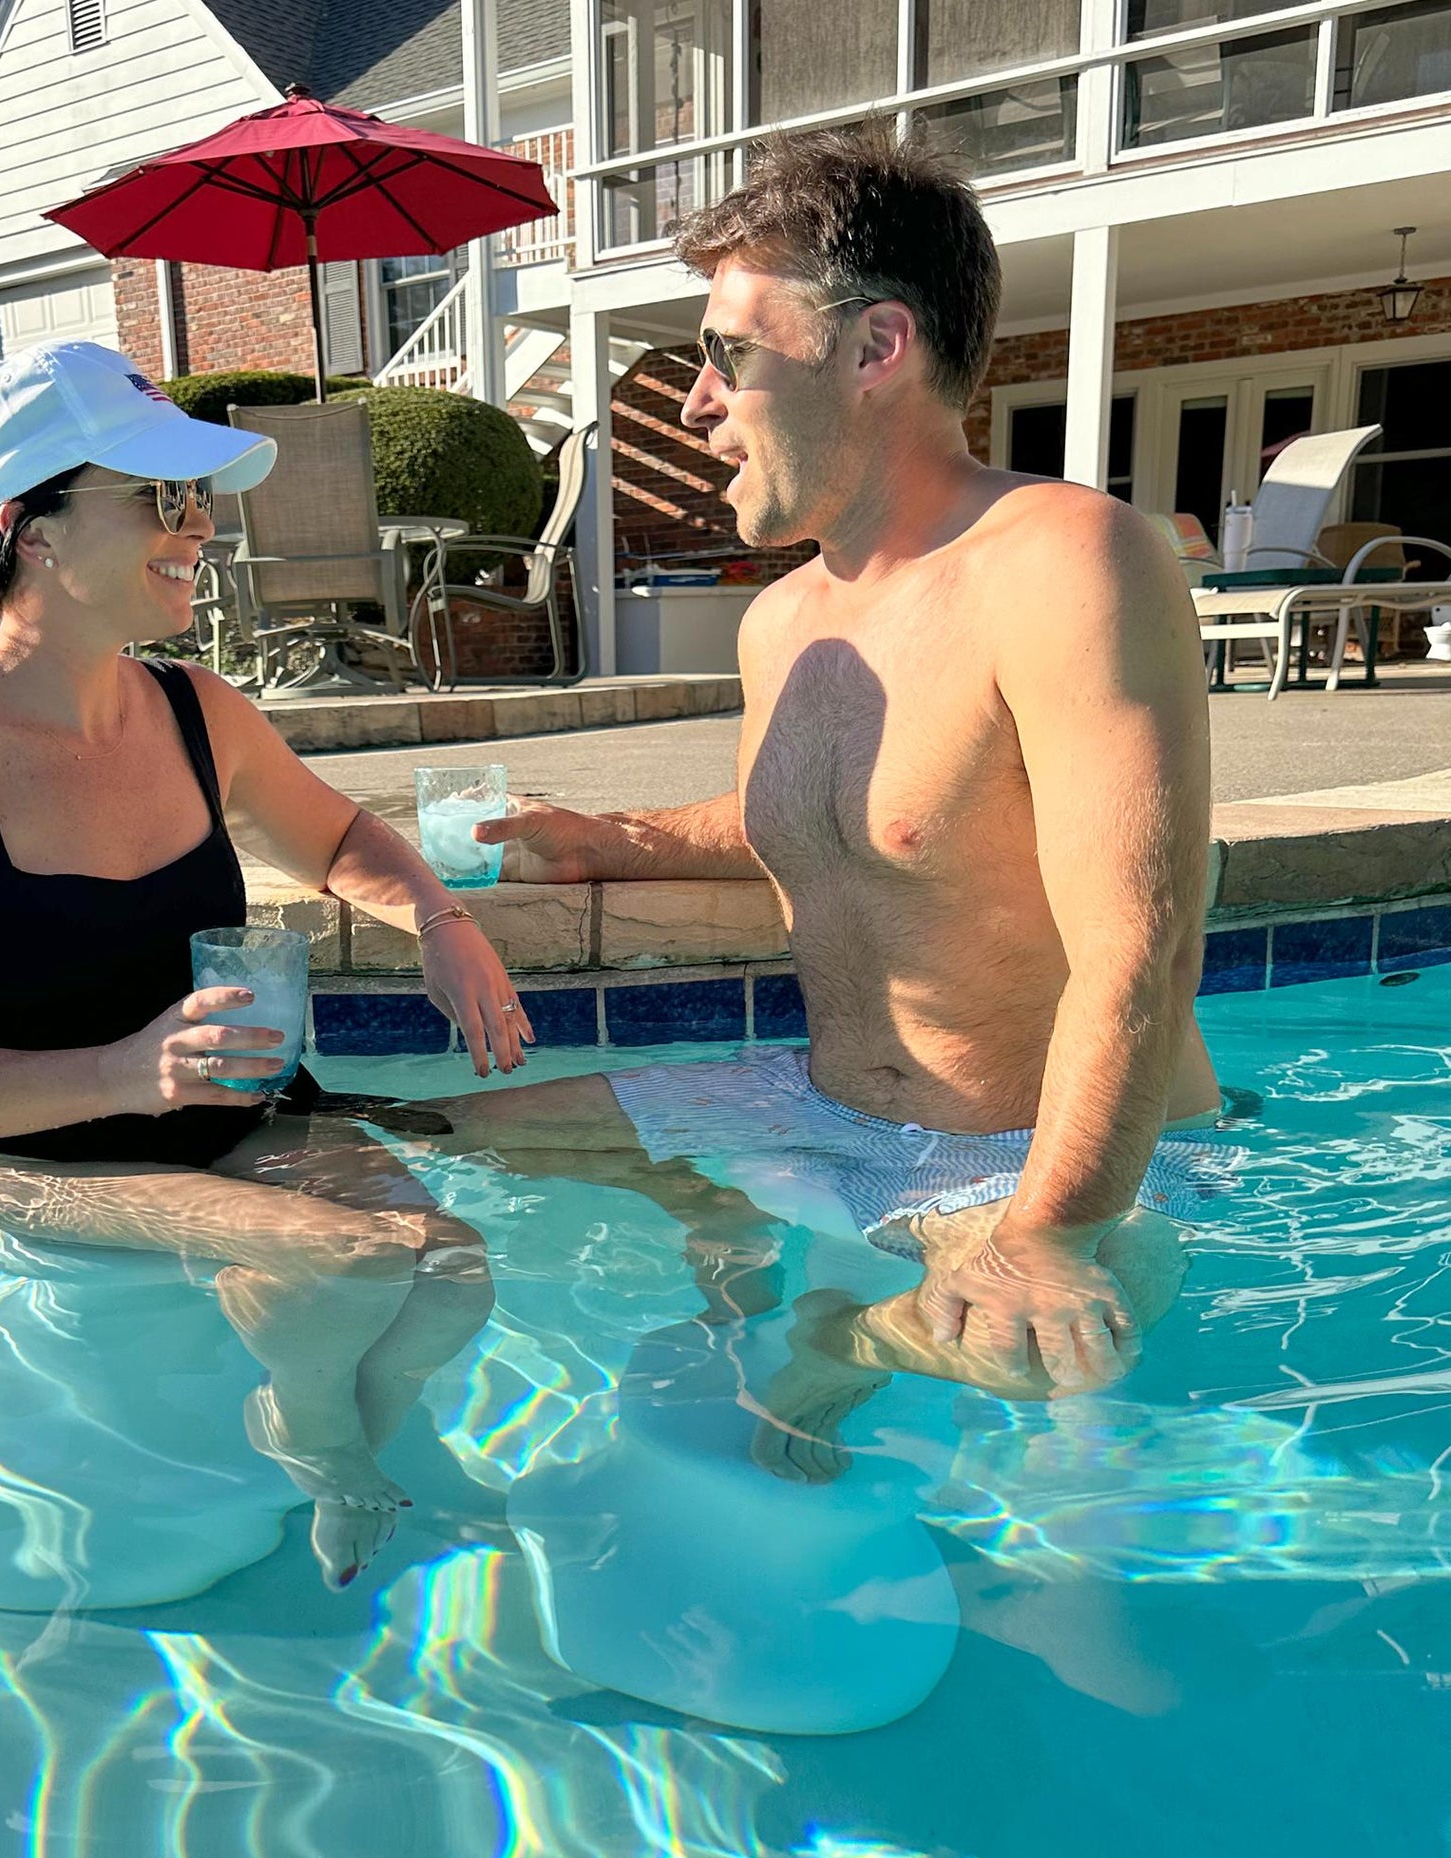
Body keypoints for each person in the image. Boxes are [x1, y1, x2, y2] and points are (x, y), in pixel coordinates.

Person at [441, 121, 1224, 1428]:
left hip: (1029, 1160)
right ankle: (729, 1220)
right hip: (818, 1112)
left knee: (1052, 1355)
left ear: (874, 348)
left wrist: (1044, 1235)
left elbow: (1139, 955)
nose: (692, 404)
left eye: (726, 357)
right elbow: (821, 822)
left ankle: (833, 1354)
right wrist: (609, 833)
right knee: (393, 1143)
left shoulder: (1068, 560)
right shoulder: (781, 620)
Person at [0, 340, 520, 1581]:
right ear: (29, 527)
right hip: (20, 1158)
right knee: (346, 1261)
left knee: (452, 1271)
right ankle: (323, 1449)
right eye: (157, 497)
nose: (199, 526)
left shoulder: (199, 708)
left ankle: (318, 1434)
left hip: (234, 1113)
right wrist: (127, 1072)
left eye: (195, 497)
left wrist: (443, 926)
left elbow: (338, 833)